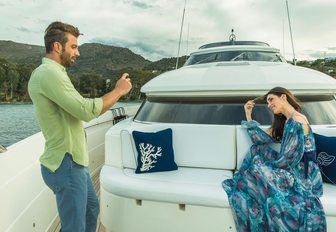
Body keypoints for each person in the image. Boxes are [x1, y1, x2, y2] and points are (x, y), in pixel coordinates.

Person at [28, 21, 132, 232]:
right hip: (65, 164)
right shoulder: (48, 74)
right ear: (58, 47)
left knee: (91, 209)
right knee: (74, 226)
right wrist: (119, 91)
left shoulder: (55, 73)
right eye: (74, 46)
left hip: (75, 162)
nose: (78, 52)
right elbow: (85, 110)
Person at [222, 87, 326, 231]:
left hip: (303, 175)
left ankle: (248, 182)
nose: (269, 105)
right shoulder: (286, 121)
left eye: (271, 99)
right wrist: (248, 114)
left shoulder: (297, 120)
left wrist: (268, 166)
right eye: (268, 102)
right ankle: (248, 178)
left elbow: (289, 158)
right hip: (290, 164)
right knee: (256, 150)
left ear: (283, 97)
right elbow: (259, 140)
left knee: (257, 169)